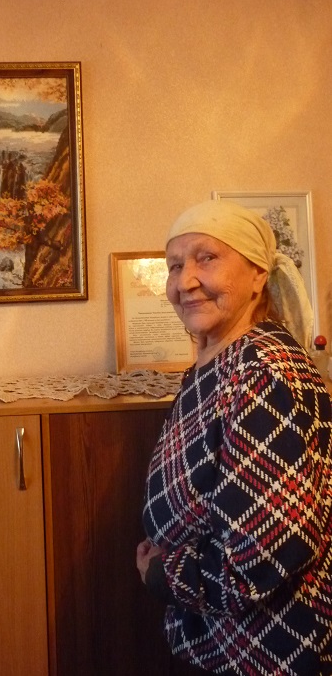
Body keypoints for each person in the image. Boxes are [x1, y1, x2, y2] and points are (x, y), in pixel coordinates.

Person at [136, 200, 332, 675]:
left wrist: (164, 573)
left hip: (272, 649)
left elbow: (265, 554)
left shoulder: (265, 376)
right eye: (175, 265)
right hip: (223, 639)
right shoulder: (223, 360)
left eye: (207, 258)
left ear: (258, 275)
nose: (185, 282)